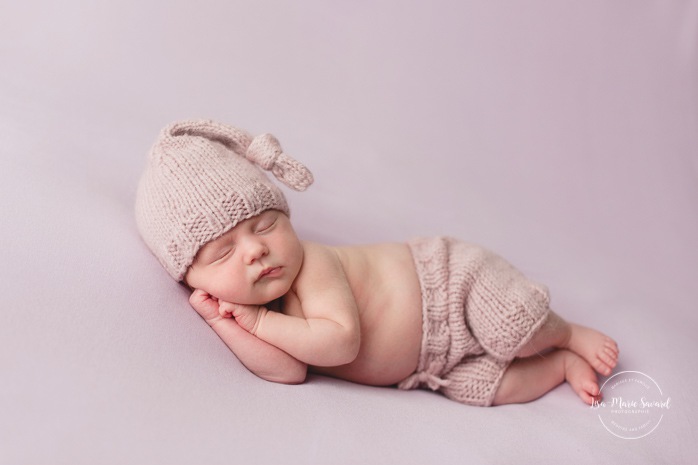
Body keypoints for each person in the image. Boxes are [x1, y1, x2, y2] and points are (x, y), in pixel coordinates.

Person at [135, 120, 619, 407]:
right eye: (223, 253)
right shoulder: (265, 315)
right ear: (193, 277)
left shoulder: (313, 267)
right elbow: (288, 372)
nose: (255, 250)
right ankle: (558, 365)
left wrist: (258, 319)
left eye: (265, 226)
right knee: (491, 389)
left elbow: (340, 342)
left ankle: (565, 333)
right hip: (432, 368)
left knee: (513, 323)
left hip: (449, 283)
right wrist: (225, 322)